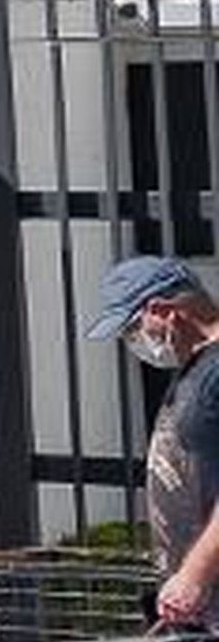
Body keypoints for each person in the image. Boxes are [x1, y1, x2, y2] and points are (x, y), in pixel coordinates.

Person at [90, 257, 219, 622]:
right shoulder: (198, 369)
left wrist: (195, 575)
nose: (133, 342)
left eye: (133, 329)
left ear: (161, 310)